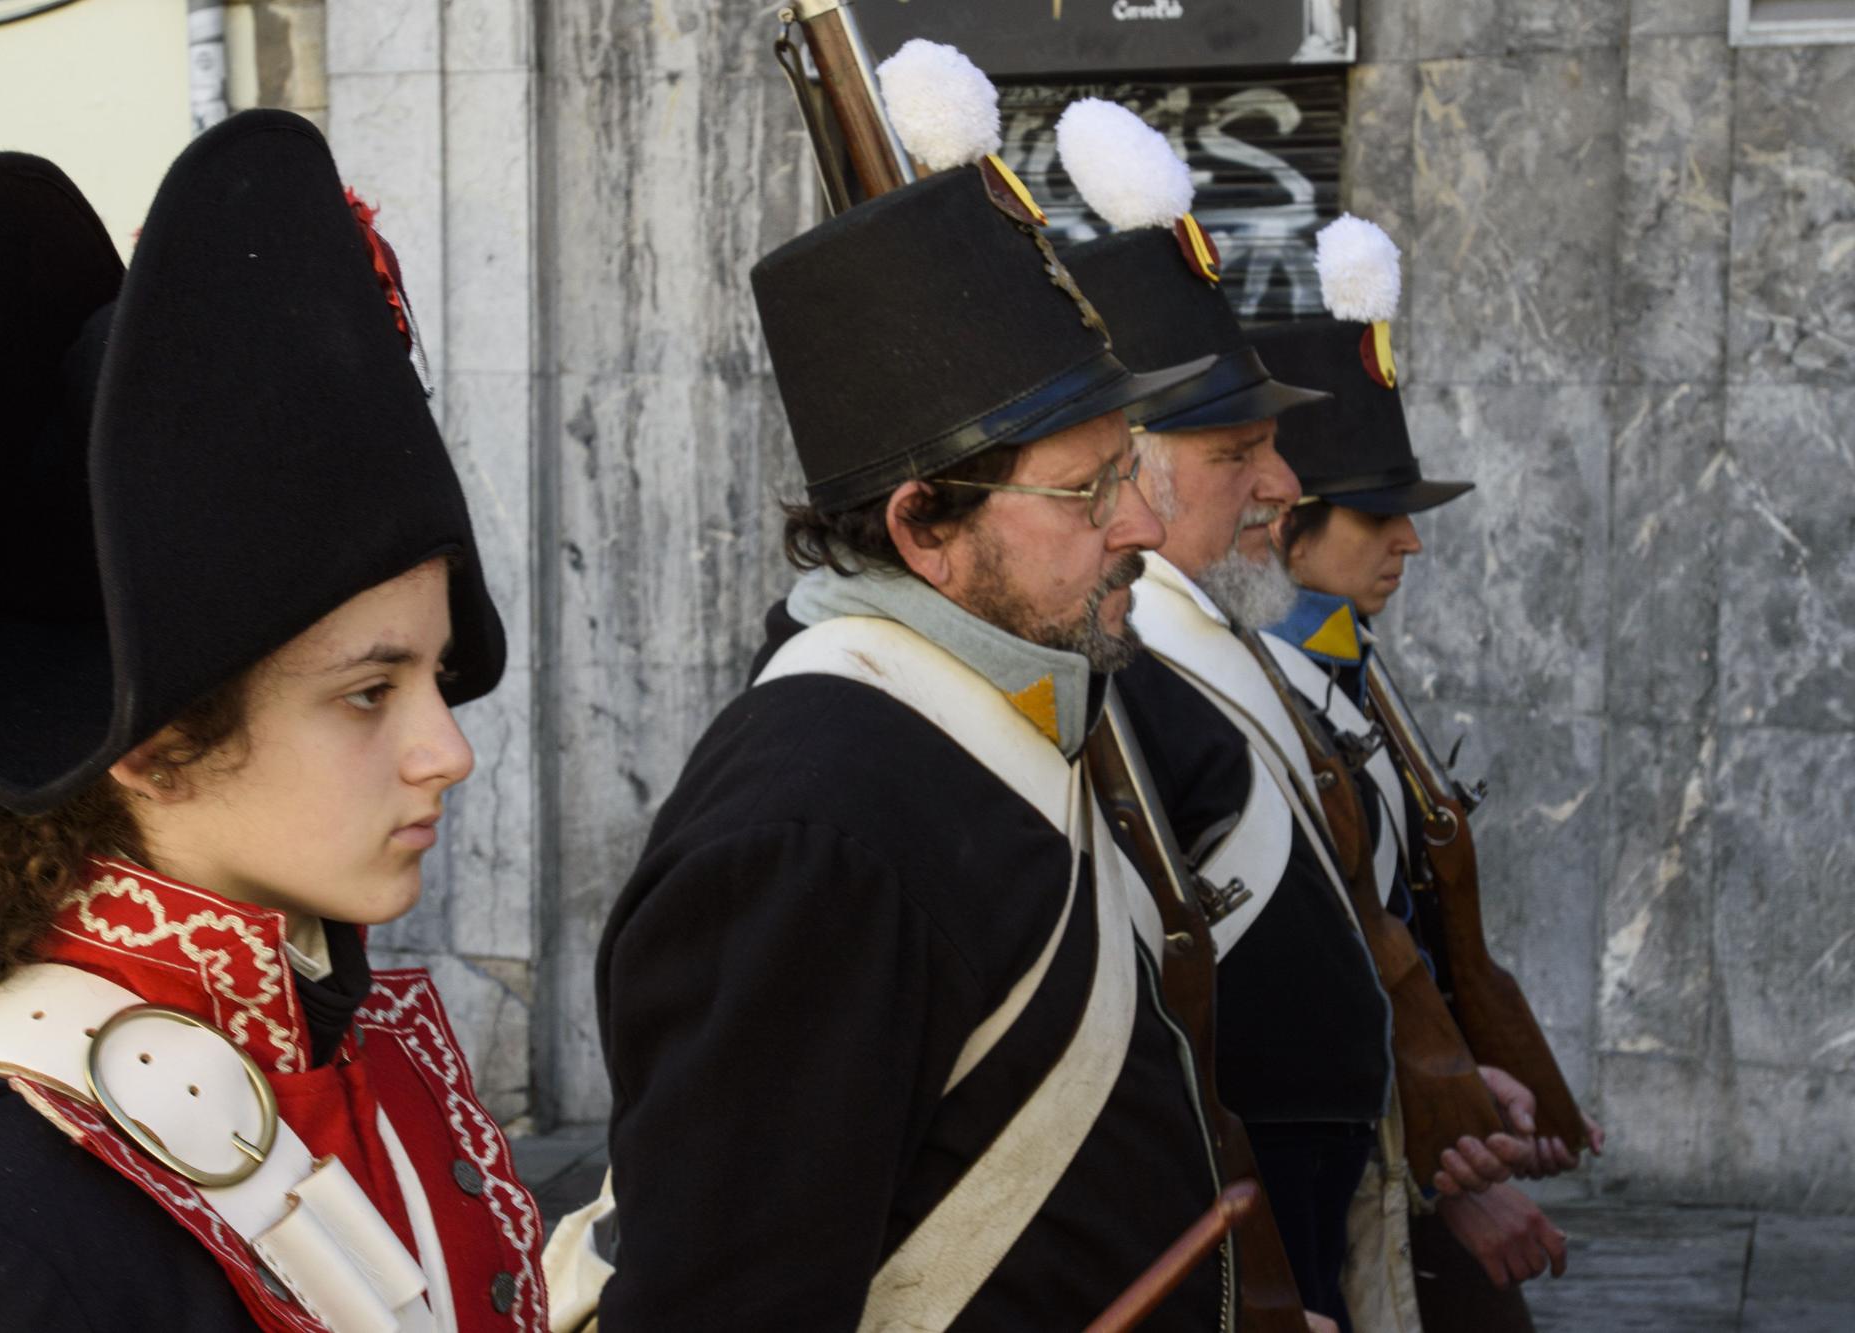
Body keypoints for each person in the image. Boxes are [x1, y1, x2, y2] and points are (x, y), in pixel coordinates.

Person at [0, 112, 547, 1331]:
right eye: (367, 691)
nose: (448, 750)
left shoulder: (361, 1047)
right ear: (157, 745)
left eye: (435, 677)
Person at [590, 62, 1245, 1322]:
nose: (1147, 526)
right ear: (921, 525)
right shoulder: (807, 836)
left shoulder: (994, 710)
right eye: (1090, 489)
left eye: (1135, 472)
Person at [1057, 108, 1537, 1333]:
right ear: (1122, 468)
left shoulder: (1201, 635)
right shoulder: (1128, 667)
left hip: (1312, 1198)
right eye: (1241, 452)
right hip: (1236, 1228)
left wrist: (1424, 1089)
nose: (1279, 490)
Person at [1253, 309, 1608, 1331]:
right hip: (1347, 1157)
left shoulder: (1342, 661)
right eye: (1376, 516)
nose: (1409, 539)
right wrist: (1445, 1165)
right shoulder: (1260, 690)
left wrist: (1500, 1088)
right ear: (1285, 523)